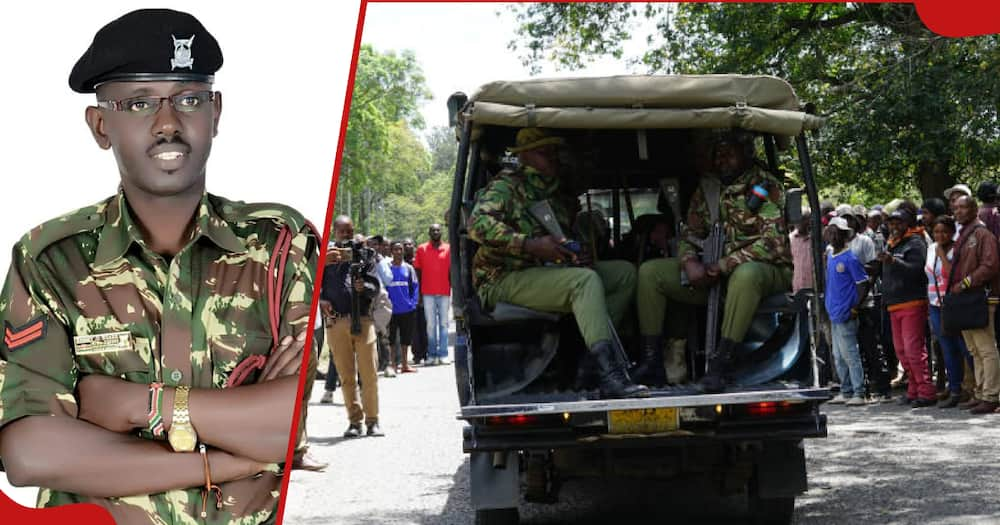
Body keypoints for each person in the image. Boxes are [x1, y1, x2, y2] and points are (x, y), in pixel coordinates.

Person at [0, 9, 318, 522]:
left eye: (189, 99)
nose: (168, 123)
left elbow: (293, 421)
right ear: (101, 125)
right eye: (140, 103)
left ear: (215, 113)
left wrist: (137, 404)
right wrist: (225, 463)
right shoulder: (51, 259)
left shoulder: (279, 244)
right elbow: (30, 452)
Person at [467, 127, 646, 398]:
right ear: (525, 156)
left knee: (624, 274)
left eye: (553, 151)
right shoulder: (507, 186)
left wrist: (576, 253)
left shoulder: (556, 192)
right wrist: (530, 244)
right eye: (543, 152)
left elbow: (563, 238)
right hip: (502, 277)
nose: (551, 157)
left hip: (544, 273)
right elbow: (476, 225)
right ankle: (609, 374)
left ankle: (588, 361)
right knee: (584, 281)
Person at [636, 128, 793, 393]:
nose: (722, 161)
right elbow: (690, 233)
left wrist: (724, 264)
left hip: (767, 271)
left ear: (746, 153)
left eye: (728, 154)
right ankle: (652, 361)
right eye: (718, 155)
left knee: (747, 274)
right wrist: (689, 262)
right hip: (714, 273)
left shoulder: (765, 186)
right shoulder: (708, 188)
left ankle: (722, 364)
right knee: (651, 272)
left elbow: (772, 243)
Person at [321, 216, 385, 437]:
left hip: (364, 320)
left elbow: (375, 287)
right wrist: (321, 300)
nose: (347, 236)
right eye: (342, 232)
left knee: (369, 374)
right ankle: (354, 422)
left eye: (350, 231)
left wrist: (363, 286)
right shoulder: (325, 256)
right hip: (336, 321)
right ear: (334, 231)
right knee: (346, 376)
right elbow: (311, 283)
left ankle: (373, 421)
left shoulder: (366, 254)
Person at [877, 204, 935, 407]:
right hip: (894, 304)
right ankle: (913, 389)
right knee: (901, 350)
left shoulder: (916, 242)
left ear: (907, 223)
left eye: (898, 222)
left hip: (912, 302)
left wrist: (893, 261)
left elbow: (916, 270)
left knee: (913, 349)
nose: (894, 226)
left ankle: (926, 390)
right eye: (891, 222)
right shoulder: (892, 243)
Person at [949, 195, 1000, 414]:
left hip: (980, 297)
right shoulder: (964, 234)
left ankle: (991, 394)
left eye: (962, 207)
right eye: (956, 207)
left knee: (986, 348)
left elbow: (990, 265)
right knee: (974, 349)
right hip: (967, 299)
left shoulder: (982, 234)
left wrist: (966, 282)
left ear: (973, 210)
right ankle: (980, 392)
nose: (958, 211)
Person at [925, 216, 973, 408]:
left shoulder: (957, 249)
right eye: (936, 232)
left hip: (954, 303)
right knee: (946, 347)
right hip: (935, 304)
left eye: (944, 231)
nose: (940, 235)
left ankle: (977, 388)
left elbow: (950, 273)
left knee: (964, 346)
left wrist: (942, 255)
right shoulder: (930, 248)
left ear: (952, 232)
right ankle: (954, 390)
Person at [823, 218, 870, 406]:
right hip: (834, 312)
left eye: (837, 233)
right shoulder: (830, 257)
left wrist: (855, 307)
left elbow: (863, 284)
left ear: (844, 236)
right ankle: (846, 389)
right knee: (838, 356)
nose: (833, 236)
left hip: (846, 312)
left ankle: (859, 391)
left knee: (850, 353)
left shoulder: (850, 258)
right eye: (831, 232)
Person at [414, 224, 452, 366]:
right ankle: (431, 354)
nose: (436, 232)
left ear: (441, 232)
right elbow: (418, 271)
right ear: (429, 233)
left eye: (438, 230)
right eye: (433, 230)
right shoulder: (421, 249)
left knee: (443, 324)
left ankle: (443, 354)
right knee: (430, 325)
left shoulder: (448, 249)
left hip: (444, 291)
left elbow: (451, 271)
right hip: (427, 292)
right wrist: (419, 293)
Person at [387, 241, 420, 373]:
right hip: (391, 310)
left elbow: (415, 287)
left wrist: (413, 303)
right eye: (395, 249)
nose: (398, 252)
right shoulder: (387, 269)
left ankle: (405, 365)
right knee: (392, 339)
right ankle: (393, 365)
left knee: (406, 338)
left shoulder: (409, 268)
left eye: (400, 249)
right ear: (391, 251)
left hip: (407, 309)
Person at [790, 214, 814, 293]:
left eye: (803, 219)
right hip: (797, 285)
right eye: (797, 220)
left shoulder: (815, 239)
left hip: (812, 285)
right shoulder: (790, 239)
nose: (799, 222)